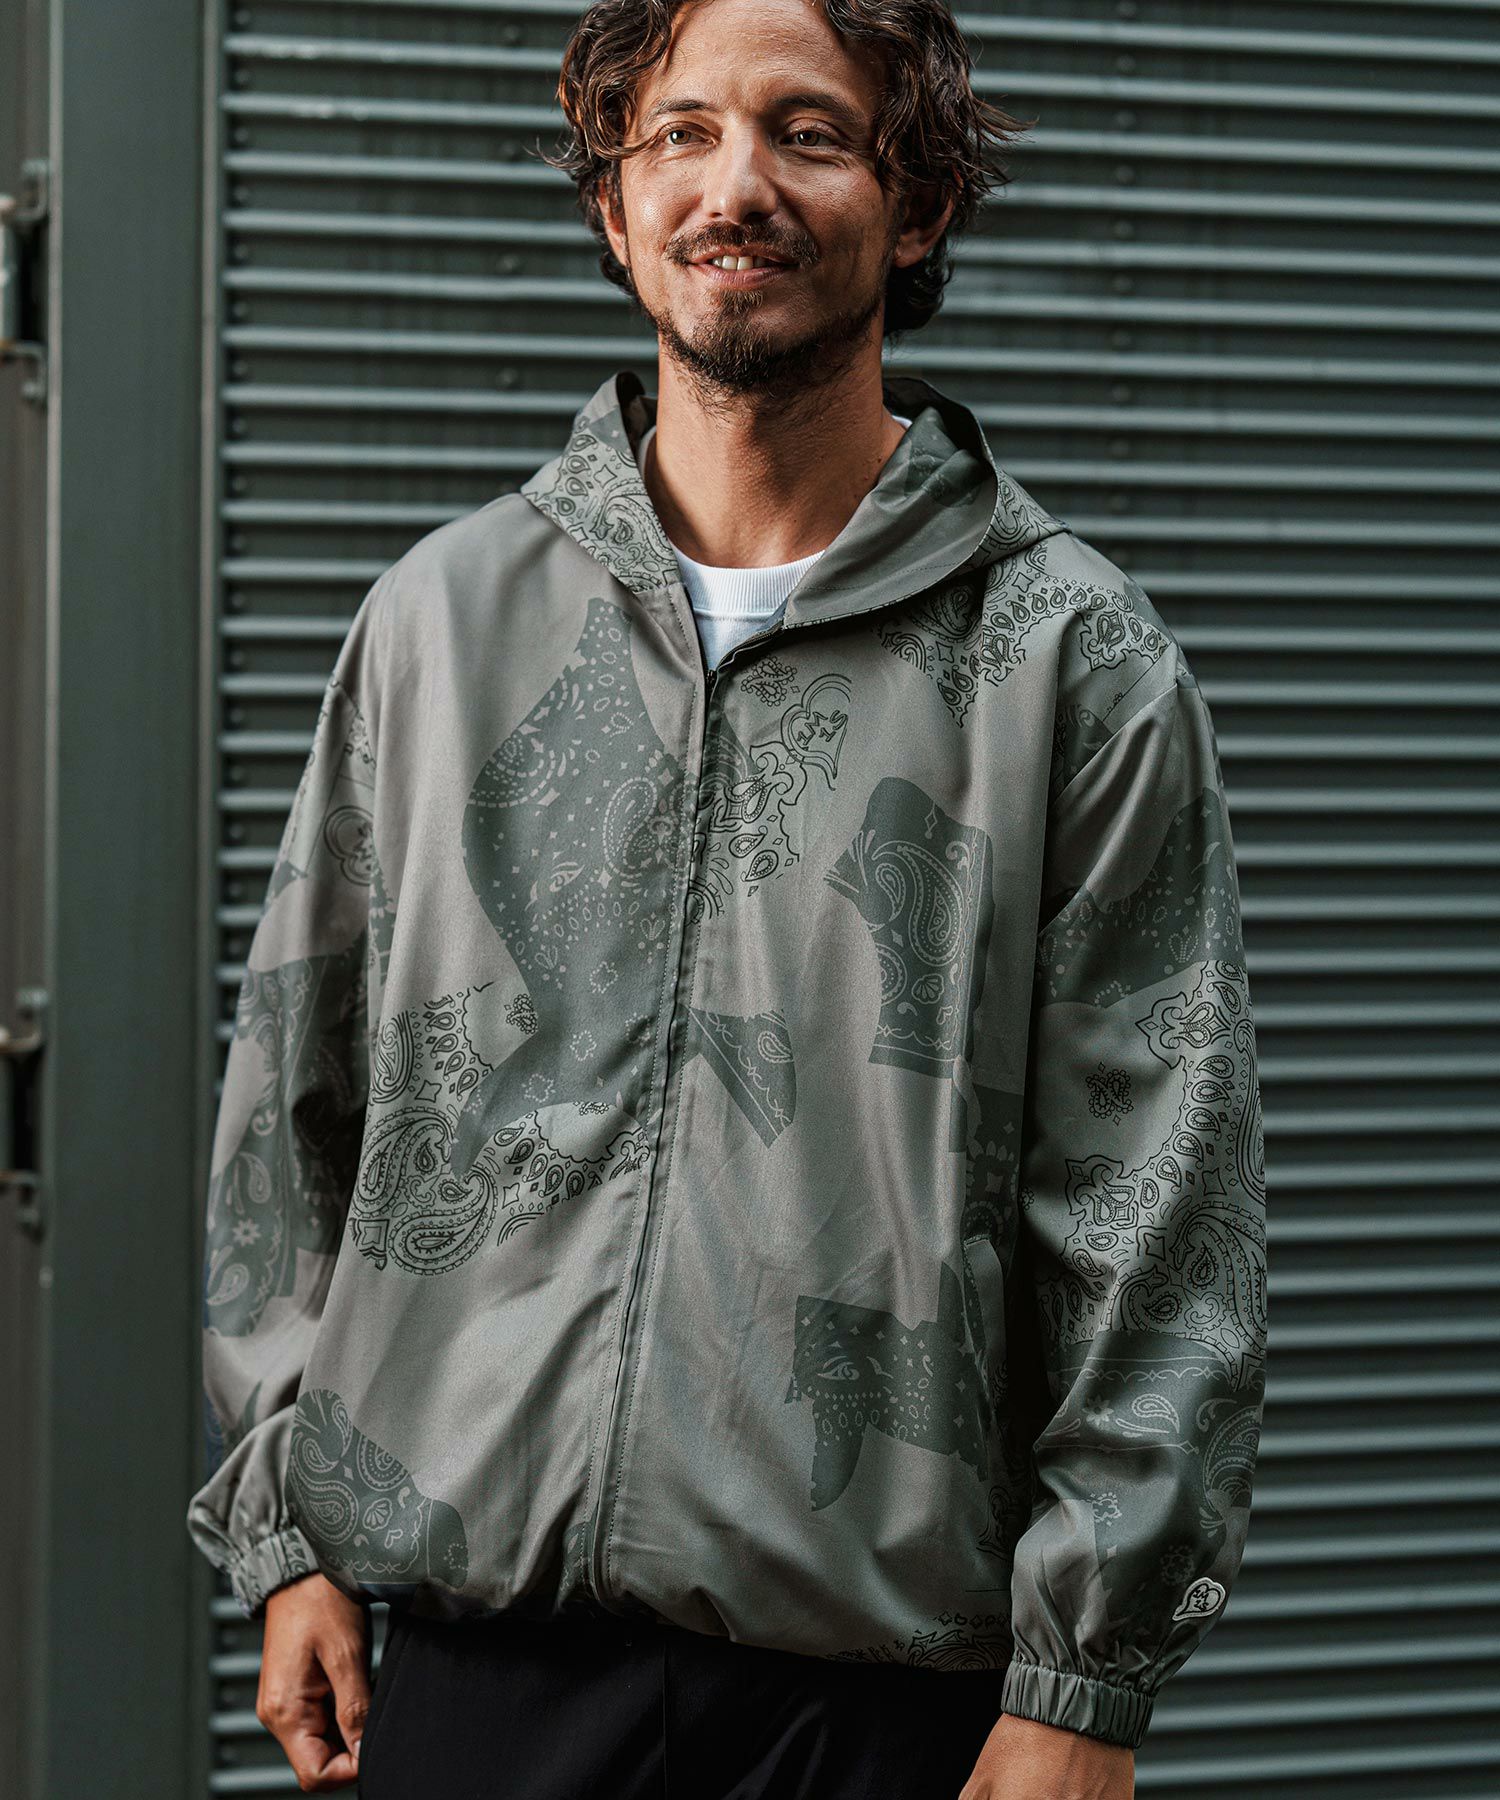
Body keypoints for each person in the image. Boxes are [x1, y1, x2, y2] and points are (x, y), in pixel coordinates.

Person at [185, 0, 1269, 1795]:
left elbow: (1156, 1207)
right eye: (679, 133)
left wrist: (1083, 1686)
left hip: (874, 1708)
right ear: (615, 209)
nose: (734, 184)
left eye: (808, 131)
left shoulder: (1071, 661)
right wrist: (284, 1525)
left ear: (917, 205)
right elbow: (295, 1103)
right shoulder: (443, 622)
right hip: (473, 1673)